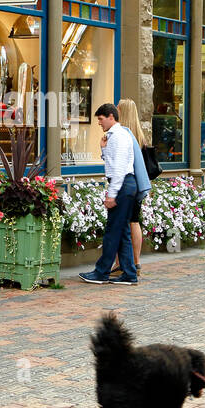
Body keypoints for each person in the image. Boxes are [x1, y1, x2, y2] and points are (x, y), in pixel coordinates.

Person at [81, 103, 149, 286]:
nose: (99, 123)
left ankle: (101, 272)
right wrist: (103, 149)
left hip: (123, 186)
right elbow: (114, 163)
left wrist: (112, 195)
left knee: (113, 231)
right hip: (125, 186)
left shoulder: (118, 136)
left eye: (101, 119)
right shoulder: (116, 136)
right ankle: (129, 274)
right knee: (123, 231)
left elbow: (118, 169)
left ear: (111, 116)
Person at [110, 98, 158, 278]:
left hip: (127, 185)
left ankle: (120, 263)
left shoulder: (122, 135)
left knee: (122, 223)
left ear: (121, 112)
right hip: (139, 186)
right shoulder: (139, 135)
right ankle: (136, 262)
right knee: (134, 221)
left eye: (117, 108)